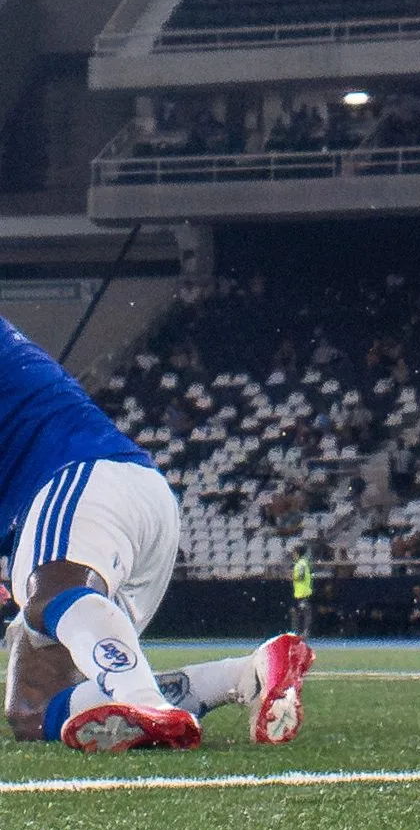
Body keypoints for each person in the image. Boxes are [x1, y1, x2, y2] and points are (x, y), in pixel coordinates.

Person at [1, 316, 313, 752]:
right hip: (124, 496)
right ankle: (244, 676)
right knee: (33, 712)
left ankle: (145, 704)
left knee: (51, 593)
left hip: (83, 475)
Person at [290, 544, 315, 637]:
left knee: (301, 615)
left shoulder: (301, 564)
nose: (293, 555)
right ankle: (302, 633)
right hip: (302, 592)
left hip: (302, 593)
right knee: (303, 614)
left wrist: (292, 576)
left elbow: (300, 576)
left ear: (297, 554)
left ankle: (301, 633)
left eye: (294, 553)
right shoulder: (305, 562)